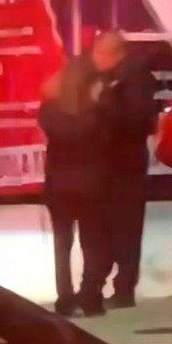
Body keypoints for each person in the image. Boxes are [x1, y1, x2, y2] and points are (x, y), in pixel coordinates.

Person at [88, 30, 160, 311]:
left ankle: (125, 287)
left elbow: (137, 120)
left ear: (112, 54)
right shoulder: (108, 78)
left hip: (126, 164)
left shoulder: (135, 79)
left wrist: (104, 102)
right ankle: (107, 282)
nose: (94, 59)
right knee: (108, 226)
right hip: (108, 163)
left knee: (127, 228)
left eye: (98, 53)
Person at [38, 58, 112, 317]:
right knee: (92, 243)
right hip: (91, 184)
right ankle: (90, 296)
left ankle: (64, 297)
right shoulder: (97, 112)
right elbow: (105, 142)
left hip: (58, 184)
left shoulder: (49, 110)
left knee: (62, 244)